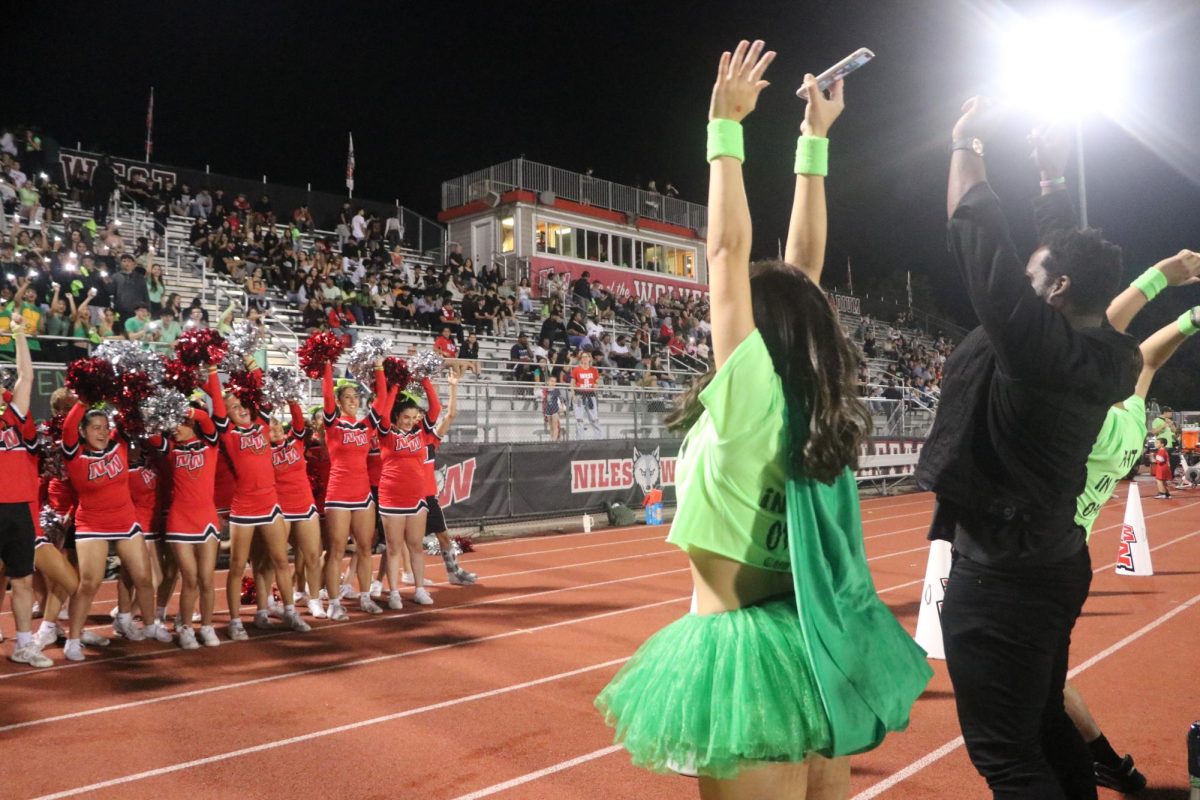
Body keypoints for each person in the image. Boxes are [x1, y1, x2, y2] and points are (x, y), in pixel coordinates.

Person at [596, 41, 930, 796]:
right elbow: (802, 269)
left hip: (744, 663)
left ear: (758, 333)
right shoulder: (810, 409)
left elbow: (725, 253)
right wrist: (814, 141)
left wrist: (725, 131)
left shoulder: (749, 407)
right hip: (813, 655)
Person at [916, 96, 1140, 799]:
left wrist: (966, 141)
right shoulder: (1107, 352)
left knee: (1006, 758)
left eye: (1035, 277)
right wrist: (1049, 183)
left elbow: (979, 238)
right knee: (1043, 722)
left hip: (1001, 582)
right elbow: (1054, 261)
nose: (1024, 281)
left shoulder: (1036, 352)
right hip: (1054, 564)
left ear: (1055, 292)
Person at [207, 360, 310, 640]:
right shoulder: (227, 433)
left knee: (280, 559)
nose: (241, 409)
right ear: (226, 413)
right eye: (234, 407)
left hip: (270, 504)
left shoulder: (263, 423)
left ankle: (289, 610)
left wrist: (252, 361)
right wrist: (213, 371)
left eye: (244, 405)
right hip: (243, 508)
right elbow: (217, 400)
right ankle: (236, 620)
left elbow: (260, 386)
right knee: (238, 566)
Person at [146, 404, 222, 649]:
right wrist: (155, 409)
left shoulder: (210, 444)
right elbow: (150, 433)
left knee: (206, 579)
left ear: (190, 424)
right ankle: (187, 628)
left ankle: (207, 626)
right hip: (180, 520)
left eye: (177, 423)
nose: (173, 429)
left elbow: (207, 420)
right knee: (189, 578)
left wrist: (181, 408)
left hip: (207, 519)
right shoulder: (172, 450)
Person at [0, 317, 53, 668]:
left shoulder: (12, 416)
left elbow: (26, 376)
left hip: (18, 507)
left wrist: (19, 331)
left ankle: (23, 644)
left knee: (22, 578)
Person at [372, 369, 440, 607]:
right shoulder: (386, 434)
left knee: (415, 546)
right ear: (396, 418)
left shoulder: (421, 434)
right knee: (393, 548)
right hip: (391, 497)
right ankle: (393, 593)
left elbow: (436, 410)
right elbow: (381, 415)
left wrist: (424, 379)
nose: (411, 421)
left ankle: (419, 589)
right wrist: (394, 388)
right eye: (406, 417)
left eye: (414, 417)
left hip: (416, 498)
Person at [321, 363, 380, 619]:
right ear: (338, 401)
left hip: (363, 494)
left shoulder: (366, 426)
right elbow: (326, 395)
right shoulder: (333, 426)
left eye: (356, 397)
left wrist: (380, 370)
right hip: (338, 494)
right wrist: (327, 365)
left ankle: (365, 597)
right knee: (336, 550)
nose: (353, 401)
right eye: (347, 397)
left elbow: (384, 401)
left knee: (365, 548)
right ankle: (334, 603)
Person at [269, 401, 325, 620]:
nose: (273, 430)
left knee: (312, 554)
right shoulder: (261, 450)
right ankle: (285, 604)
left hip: (304, 505)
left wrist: (291, 399)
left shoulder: (296, 441)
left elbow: (298, 419)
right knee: (280, 559)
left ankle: (314, 600)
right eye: (268, 428)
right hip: (279, 509)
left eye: (276, 426)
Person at [570, 350, 602, 439]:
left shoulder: (594, 370)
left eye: (586, 357)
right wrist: (573, 396)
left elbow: (596, 383)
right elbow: (572, 384)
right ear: (581, 359)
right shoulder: (576, 370)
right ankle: (580, 439)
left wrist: (595, 386)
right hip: (579, 396)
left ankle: (599, 439)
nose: (584, 358)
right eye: (583, 357)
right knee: (579, 419)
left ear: (589, 358)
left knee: (594, 418)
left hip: (590, 395)